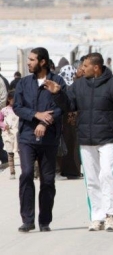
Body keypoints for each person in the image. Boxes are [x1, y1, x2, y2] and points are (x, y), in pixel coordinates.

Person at [45, 52, 113, 232]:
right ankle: (97, 217)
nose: (81, 69)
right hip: (86, 139)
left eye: (85, 66)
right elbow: (69, 105)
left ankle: (110, 215)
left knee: (107, 175)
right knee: (92, 180)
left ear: (96, 67)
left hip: (108, 138)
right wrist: (57, 93)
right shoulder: (78, 86)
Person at [13, 47, 66, 232]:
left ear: (42, 62)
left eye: (32, 60)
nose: (28, 63)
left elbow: (62, 107)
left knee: (48, 181)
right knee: (26, 173)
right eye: (28, 59)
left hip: (49, 139)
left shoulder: (57, 81)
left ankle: (45, 221)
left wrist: (45, 122)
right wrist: (36, 115)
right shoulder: (23, 83)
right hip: (27, 136)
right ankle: (28, 220)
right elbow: (17, 107)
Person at [57, 64, 81, 179]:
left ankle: (65, 169)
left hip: (64, 118)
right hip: (75, 118)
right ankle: (74, 170)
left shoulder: (61, 86)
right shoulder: (77, 85)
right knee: (74, 144)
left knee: (65, 143)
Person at [0, 91, 19, 179]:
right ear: (9, 99)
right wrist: (4, 126)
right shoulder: (4, 110)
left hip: (18, 134)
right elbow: (0, 121)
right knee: (10, 153)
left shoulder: (20, 109)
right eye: (13, 100)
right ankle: (12, 172)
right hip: (8, 135)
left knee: (21, 152)